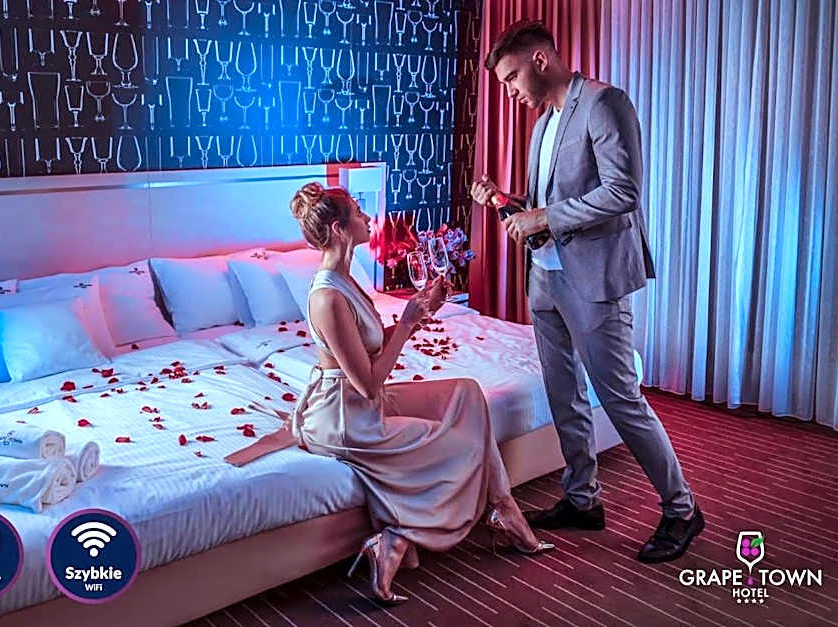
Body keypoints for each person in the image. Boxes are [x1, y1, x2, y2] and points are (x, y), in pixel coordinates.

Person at [472, 20, 704, 564]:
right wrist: (507, 200)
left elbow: (623, 192)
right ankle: (582, 499)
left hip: (594, 278)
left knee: (620, 398)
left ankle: (682, 509)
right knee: (563, 393)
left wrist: (543, 216)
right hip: (545, 276)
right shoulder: (543, 125)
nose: (510, 93)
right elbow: (545, 204)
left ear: (540, 60)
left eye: (511, 79)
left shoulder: (604, 103)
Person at [288, 182, 552, 604]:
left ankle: (504, 508)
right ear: (339, 230)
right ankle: (396, 538)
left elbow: (372, 343)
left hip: (359, 404)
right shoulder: (326, 297)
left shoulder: (347, 279)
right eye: (359, 212)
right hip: (343, 418)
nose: (369, 218)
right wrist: (409, 322)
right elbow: (368, 383)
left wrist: (422, 309)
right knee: (461, 444)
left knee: (467, 394)